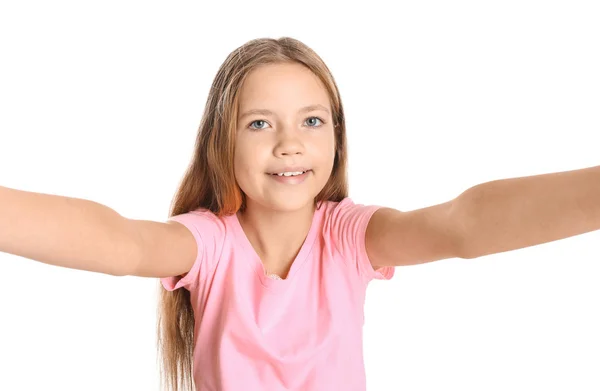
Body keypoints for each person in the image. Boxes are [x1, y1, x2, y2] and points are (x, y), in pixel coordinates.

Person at [1, 36, 599, 391]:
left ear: (337, 138)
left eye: (312, 120)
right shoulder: (209, 247)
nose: (290, 143)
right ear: (222, 142)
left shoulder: (349, 238)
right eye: (260, 123)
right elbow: (117, 242)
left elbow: (464, 223)